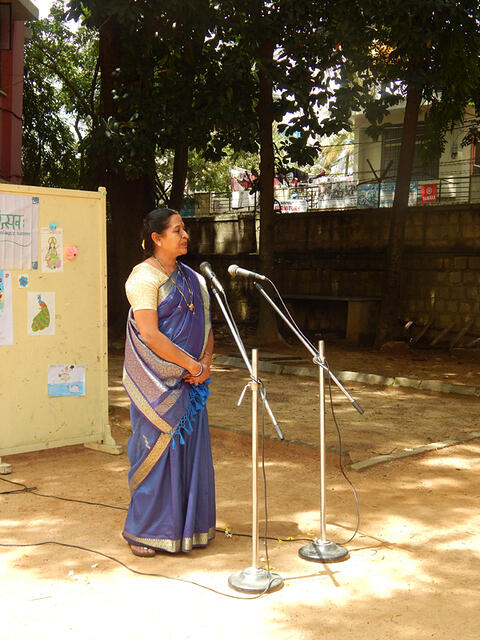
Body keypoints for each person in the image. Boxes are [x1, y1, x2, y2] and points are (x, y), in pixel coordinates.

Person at [122, 208, 215, 557]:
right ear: (157, 238)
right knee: (155, 455)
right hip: (157, 385)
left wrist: (204, 363)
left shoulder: (195, 279)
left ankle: (187, 529)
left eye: (185, 229)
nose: (185, 234)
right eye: (177, 230)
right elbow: (149, 333)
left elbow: (206, 328)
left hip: (192, 382)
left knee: (191, 454)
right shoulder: (143, 278)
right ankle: (145, 532)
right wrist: (190, 364)